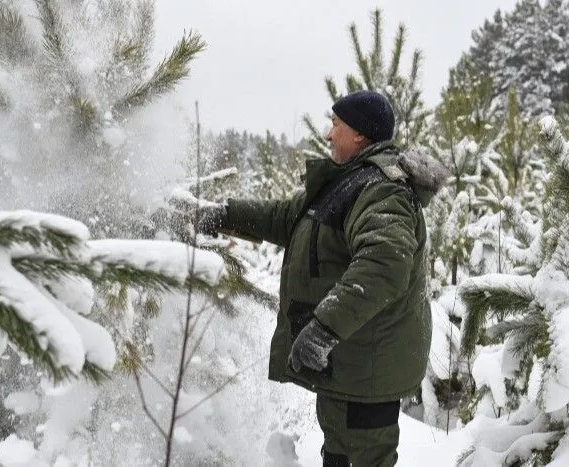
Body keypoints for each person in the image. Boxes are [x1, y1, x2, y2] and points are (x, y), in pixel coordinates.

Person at [164, 90, 445, 466]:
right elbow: (283, 217)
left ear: (359, 134)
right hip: (352, 364)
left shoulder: (381, 189)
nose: (329, 134)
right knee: (340, 456)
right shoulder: (348, 182)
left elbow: (384, 264)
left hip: (367, 369)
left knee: (361, 458)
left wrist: (325, 328)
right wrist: (221, 215)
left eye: (336, 125)